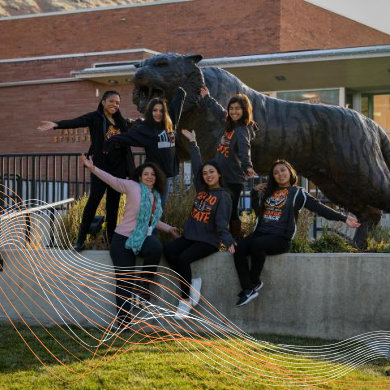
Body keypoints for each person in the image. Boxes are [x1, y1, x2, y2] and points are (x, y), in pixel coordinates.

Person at [234, 159, 361, 307]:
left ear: (290, 172)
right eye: (275, 173)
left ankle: (254, 282)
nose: (280, 174)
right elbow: (258, 212)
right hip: (261, 233)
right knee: (238, 248)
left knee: (257, 245)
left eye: (283, 170)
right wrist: (254, 193)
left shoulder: (298, 193)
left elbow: (319, 208)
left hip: (280, 238)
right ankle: (248, 288)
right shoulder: (269, 192)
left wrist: (344, 218)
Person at [81, 154, 179, 329]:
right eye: (146, 174)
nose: (149, 177)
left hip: (140, 238)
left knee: (155, 247)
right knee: (125, 280)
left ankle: (144, 284)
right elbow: (112, 180)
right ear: (140, 177)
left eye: (153, 174)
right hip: (122, 240)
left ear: (156, 178)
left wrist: (169, 229)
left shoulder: (155, 195)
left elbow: (152, 220)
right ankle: (123, 322)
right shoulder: (132, 186)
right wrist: (92, 168)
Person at [37, 90, 133, 251]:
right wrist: (56, 124)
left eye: (117, 103)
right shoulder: (95, 118)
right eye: (111, 101)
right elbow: (77, 121)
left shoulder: (121, 122)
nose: (115, 105)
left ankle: (110, 240)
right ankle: (80, 239)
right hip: (100, 168)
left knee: (113, 205)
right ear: (103, 102)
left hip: (118, 169)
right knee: (93, 200)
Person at [163, 129, 235, 320]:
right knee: (169, 251)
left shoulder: (224, 196)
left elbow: (221, 222)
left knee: (183, 259)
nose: (207, 175)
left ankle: (185, 300)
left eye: (212, 172)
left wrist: (228, 241)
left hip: (208, 241)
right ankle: (193, 284)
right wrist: (193, 143)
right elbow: (196, 166)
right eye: (205, 173)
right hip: (190, 236)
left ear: (219, 174)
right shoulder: (202, 191)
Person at [105, 88, 186, 206]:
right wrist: (106, 144)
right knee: (151, 210)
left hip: (166, 177)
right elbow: (125, 137)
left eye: (161, 110)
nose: (158, 113)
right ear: (150, 112)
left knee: (158, 211)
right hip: (153, 178)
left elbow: (181, 94)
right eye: (155, 110)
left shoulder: (170, 123)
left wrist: (166, 81)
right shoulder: (146, 130)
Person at [200, 86, 257, 239]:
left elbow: (245, 150)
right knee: (216, 208)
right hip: (221, 176)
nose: (233, 112)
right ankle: (218, 239)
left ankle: (235, 240)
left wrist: (248, 166)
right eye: (231, 108)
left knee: (230, 211)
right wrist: (207, 97)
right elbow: (219, 111)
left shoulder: (242, 130)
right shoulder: (229, 124)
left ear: (245, 110)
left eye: (237, 109)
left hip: (232, 178)